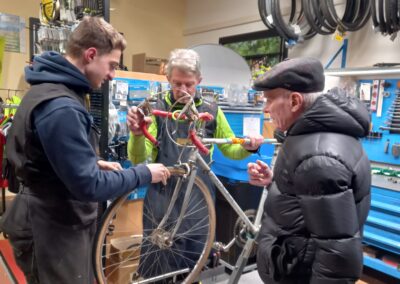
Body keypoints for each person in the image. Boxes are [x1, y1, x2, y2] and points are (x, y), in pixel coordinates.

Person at [0, 16, 170, 284]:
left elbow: (45, 157)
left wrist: (91, 161)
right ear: (91, 54)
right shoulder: (62, 106)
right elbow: (89, 186)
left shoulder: (51, 90)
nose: (113, 74)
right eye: (112, 65)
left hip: (49, 219)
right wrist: (143, 173)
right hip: (51, 229)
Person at [127, 48, 264, 278]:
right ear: (168, 79)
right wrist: (138, 135)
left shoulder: (211, 110)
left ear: (199, 81)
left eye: (189, 84)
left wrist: (248, 147)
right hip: (163, 201)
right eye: (177, 83)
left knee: (195, 266)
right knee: (157, 266)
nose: (182, 91)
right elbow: (139, 159)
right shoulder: (157, 109)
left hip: (199, 203)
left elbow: (229, 148)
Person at [247, 57, 371, 283]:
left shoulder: (317, 157)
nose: (265, 108)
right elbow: (311, 202)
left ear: (295, 101)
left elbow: (339, 254)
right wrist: (276, 182)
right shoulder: (313, 140)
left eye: (270, 100)